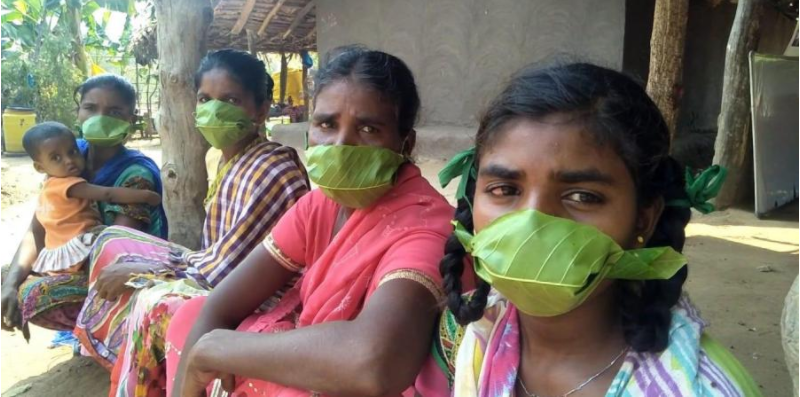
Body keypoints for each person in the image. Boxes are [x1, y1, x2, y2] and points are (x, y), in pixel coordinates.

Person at [429, 63, 761, 396]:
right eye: (504, 189)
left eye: (582, 196)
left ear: (643, 218)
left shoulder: (700, 388)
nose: (532, 224)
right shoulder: (481, 332)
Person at [167, 46, 454, 397]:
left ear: (404, 144)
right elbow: (222, 304)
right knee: (190, 317)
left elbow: (375, 362)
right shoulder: (319, 204)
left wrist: (219, 351)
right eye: (326, 124)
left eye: (367, 128)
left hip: (381, 381)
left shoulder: (425, 226)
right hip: (333, 354)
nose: (340, 145)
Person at [74, 49, 309, 396]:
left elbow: (227, 269)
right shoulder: (232, 159)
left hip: (257, 296)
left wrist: (148, 272)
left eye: (230, 99)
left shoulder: (270, 169)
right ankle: (127, 354)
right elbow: (218, 252)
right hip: (218, 268)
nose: (214, 110)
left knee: (151, 299)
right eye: (205, 99)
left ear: (260, 110)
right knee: (113, 240)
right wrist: (152, 265)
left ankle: (140, 369)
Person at [1, 74, 167, 334]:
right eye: (90, 108)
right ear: (78, 112)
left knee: (35, 295)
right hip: (80, 261)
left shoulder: (135, 174)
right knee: (9, 278)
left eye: (114, 111)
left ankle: (115, 330)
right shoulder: (64, 156)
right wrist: (10, 284)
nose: (99, 117)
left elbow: (115, 252)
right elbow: (39, 228)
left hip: (120, 270)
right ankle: (92, 329)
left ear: (130, 121)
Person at [22, 122, 161, 276]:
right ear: (40, 168)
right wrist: (145, 196)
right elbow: (108, 194)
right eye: (56, 158)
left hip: (57, 253)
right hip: (80, 247)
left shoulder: (47, 187)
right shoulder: (70, 185)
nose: (69, 160)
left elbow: (37, 229)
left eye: (73, 152)